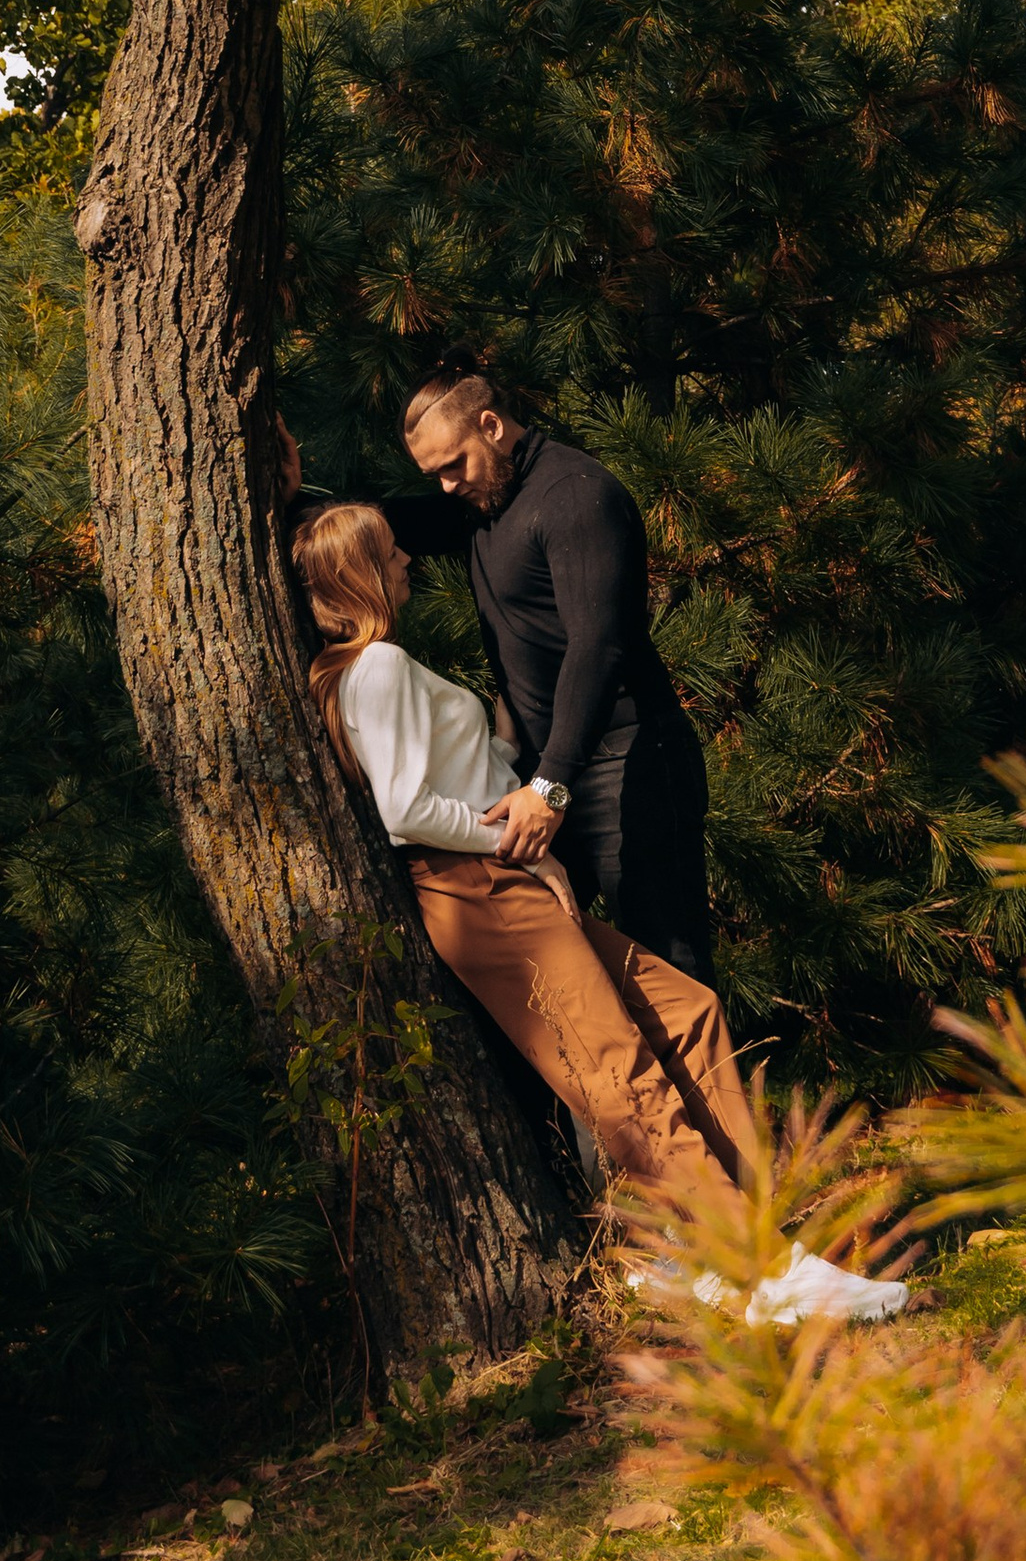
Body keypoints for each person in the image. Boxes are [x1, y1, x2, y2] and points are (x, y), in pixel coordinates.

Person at [290, 498, 905, 1324]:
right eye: (393, 554)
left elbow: (460, 768)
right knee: (622, 1076)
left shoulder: (371, 669)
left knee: (688, 1011)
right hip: (482, 891)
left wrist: (507, 735)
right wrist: (519, 842)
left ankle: (706, 1255)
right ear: (362, 570)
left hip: (494, 882)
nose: (409, 562)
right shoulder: (377, 668)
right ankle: (764, 1271)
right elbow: (405, 812)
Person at [377, 358, 716, 986]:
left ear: (491, 425)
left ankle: (710, 1088)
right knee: (557, 980)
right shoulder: (485, 500)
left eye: (454, 465)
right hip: (541, 776)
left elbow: (599, 648)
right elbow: (392, 523)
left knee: (671, 973)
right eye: (434, 475)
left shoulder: (575, 496)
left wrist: (551, 787)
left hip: (627, 765)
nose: (447, 486)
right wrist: (292, 496)